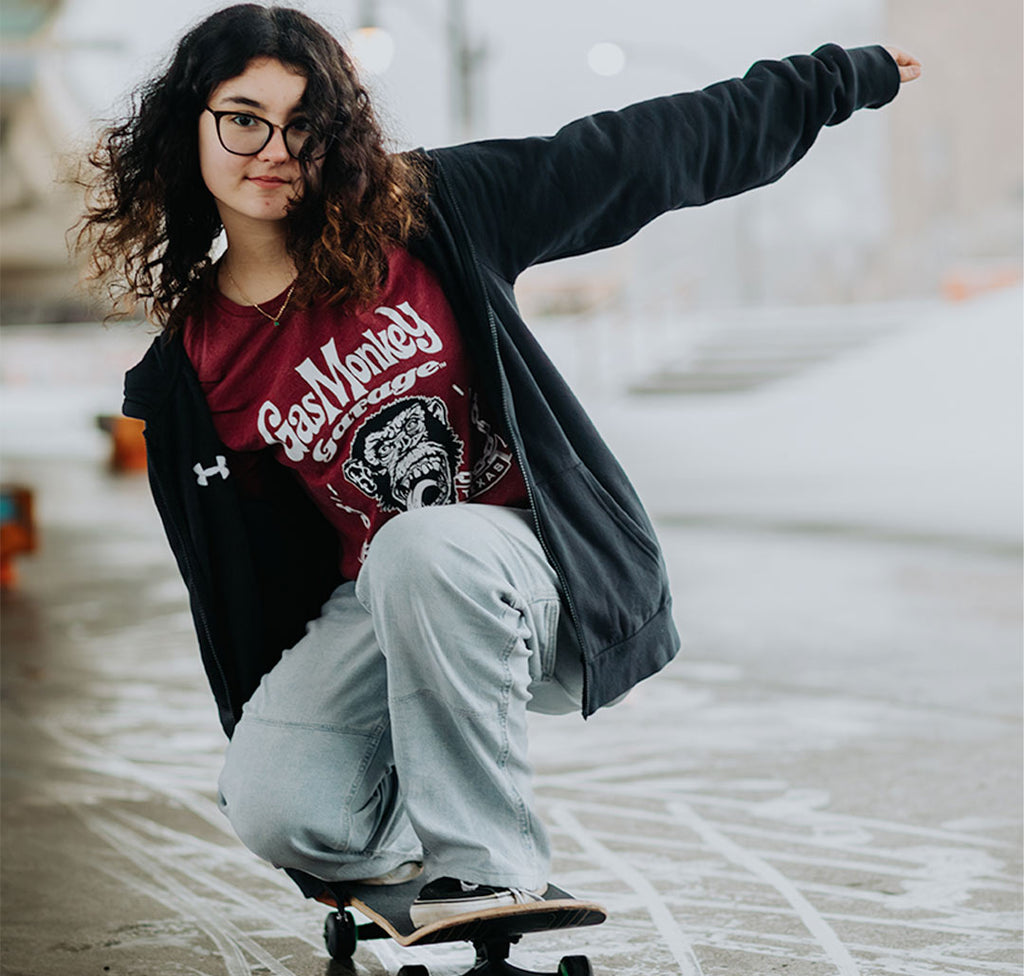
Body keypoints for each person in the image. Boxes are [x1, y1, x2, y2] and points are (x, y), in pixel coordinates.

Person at [77, 4, 921, 927]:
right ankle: (411, 830)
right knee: (279, 804)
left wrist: (833, 81)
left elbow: (639, 152)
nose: (273, 148)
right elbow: (239, 586)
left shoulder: (429, 215)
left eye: (304, 124)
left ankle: (488, 865)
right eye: (243, 117)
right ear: (188, 127)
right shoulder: (190, 369)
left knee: (422, 548)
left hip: (533, 571)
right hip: (387, 600)